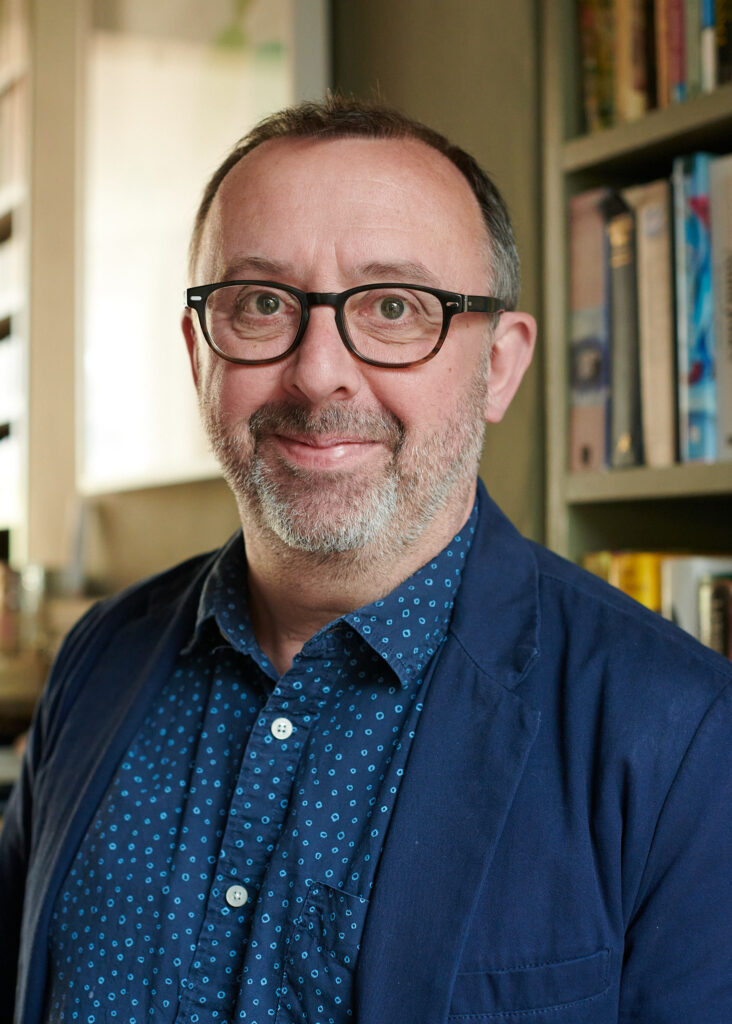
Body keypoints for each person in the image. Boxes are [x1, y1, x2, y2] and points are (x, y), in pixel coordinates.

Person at [1, 95, 731, 1024]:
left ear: (499, 365)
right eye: (262, 303)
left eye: (393, 308)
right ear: (198, 355)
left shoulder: (678, 734)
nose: (318, 373)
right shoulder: (97, 661)